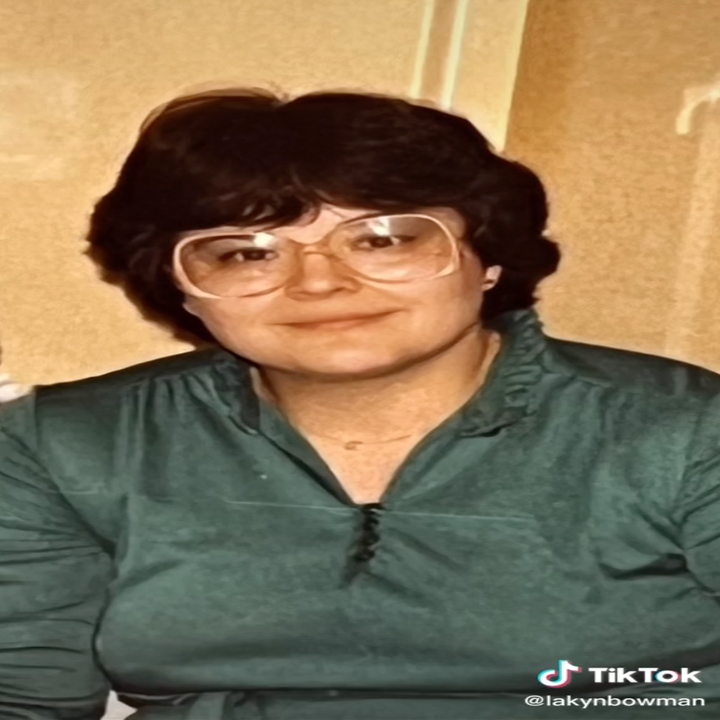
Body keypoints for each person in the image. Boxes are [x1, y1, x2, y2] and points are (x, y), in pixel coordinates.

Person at [0, 88, 718, 720]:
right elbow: (22, 699)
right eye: (245, 252)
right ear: (180, 285)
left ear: (489, 256)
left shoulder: (684, 432)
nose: (318, 283)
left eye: (383, 239)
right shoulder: (60, 445)